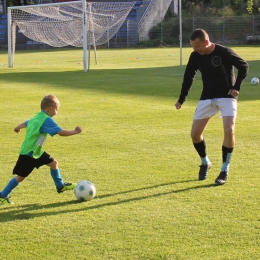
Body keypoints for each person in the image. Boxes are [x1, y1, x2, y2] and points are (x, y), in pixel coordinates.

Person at [175, 28, 249, 185]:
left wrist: (236, 87)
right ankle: (205, 162)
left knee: (229, 129)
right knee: (195, 134)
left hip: (227, 96)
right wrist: (182, 99)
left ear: (206, 42)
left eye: (197, 46)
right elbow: (189, 77)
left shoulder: (224, 52)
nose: (195, 50)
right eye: (193, 47)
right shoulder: (195, 56)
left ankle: (224, 169)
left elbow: (243, 66)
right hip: (207, 96)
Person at [0, 94, 82, 205]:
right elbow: (61, 133)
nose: (56, 113)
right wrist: (75, 131)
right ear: (50, 109)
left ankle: (60, 186)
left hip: (35, 152)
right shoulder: (46, 120)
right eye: (56, 110)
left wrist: (17, 127)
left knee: (54, 163)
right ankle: (2, 195)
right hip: (30, 153)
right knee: (20, 177)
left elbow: (27, 122)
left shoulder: (37, 116)